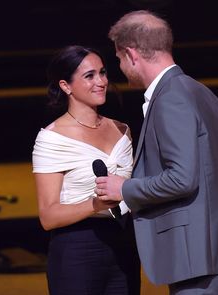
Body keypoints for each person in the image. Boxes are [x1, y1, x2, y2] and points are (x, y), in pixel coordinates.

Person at [95, 10, 218, 295]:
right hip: (209, 252)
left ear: (131, 54)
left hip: (195, 256)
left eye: (118, 60)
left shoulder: (170, 99)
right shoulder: (199, 90)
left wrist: (125, 188)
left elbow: (182, 178)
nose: (121, 68)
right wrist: (203, 213)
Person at [32, 45, 140, 295]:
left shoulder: (122, 130)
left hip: (124, 242)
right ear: (66, 86)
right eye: (89, 76)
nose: (101, 81)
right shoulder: (52, 138)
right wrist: (96, 205)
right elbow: (48, 217)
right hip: (77, 248)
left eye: (102, 73)